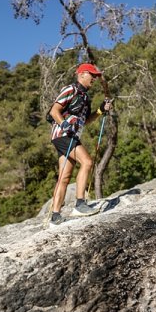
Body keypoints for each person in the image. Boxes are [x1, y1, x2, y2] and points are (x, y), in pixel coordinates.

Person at [47, 63, 112, 226]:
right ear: (82, 74)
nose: (94, 79)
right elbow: (54, 111)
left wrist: (101, 110)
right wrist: (64, 124)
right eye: (92, 75)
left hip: (69, 136)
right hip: (63, 134)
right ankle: (80, 204)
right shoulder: (70, 89)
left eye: (96, 76)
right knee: (87, 162)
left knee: (64, 176)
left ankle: (55, 216)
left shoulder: (85, 97)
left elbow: (86, 121)